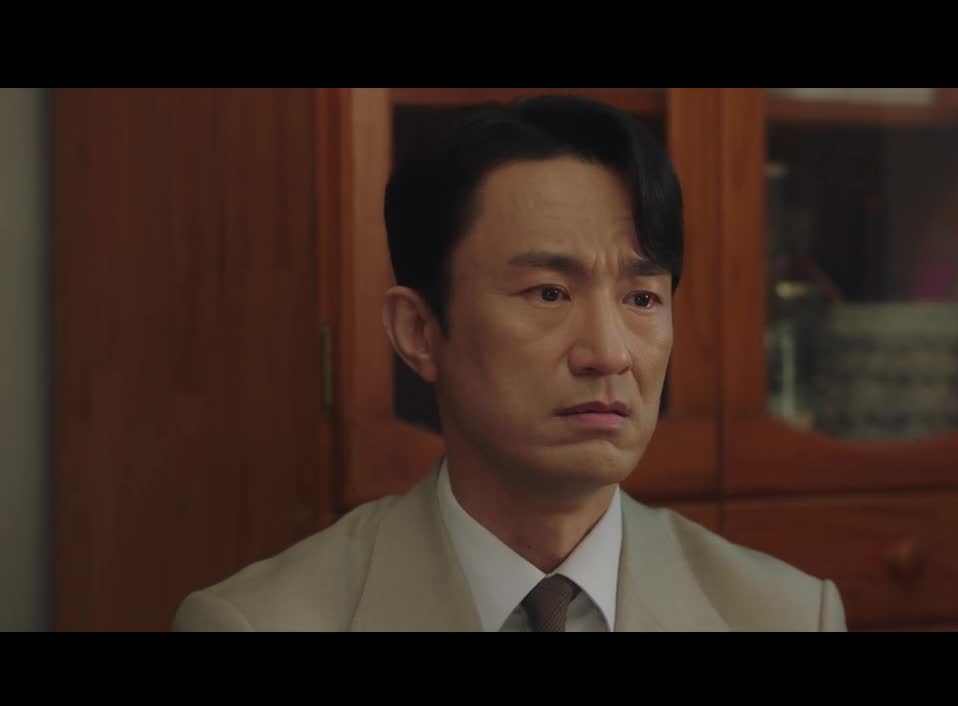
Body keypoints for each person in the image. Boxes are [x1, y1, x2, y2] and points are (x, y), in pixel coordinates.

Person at [172, 94, 847, 632]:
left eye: (641, 297)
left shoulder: (785, 615)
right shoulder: (258, 622)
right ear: (418, 331)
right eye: (549, 293)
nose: (608, 353)